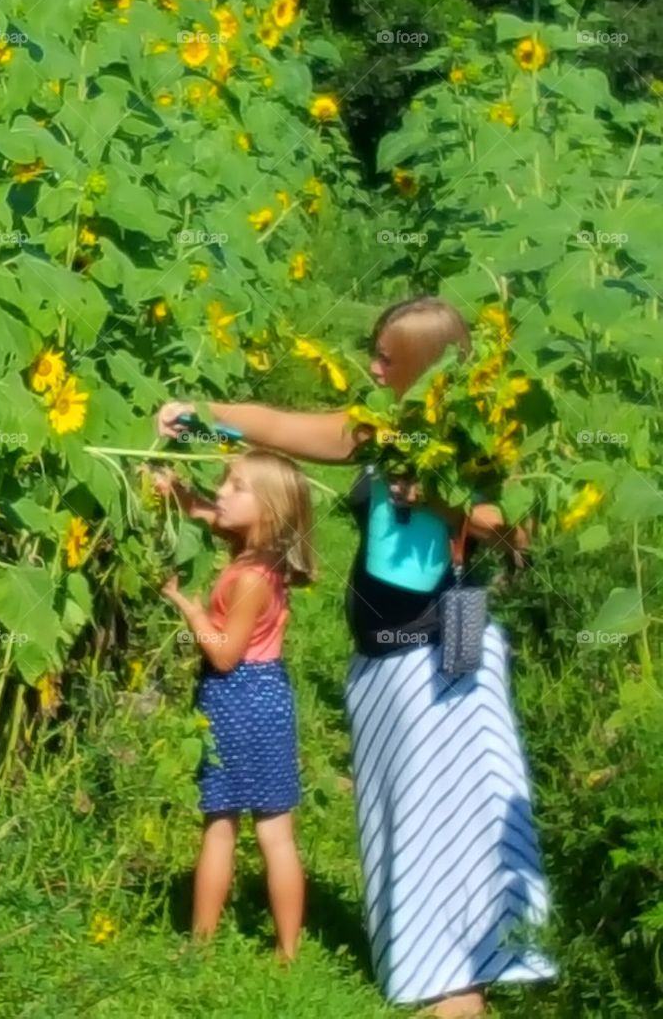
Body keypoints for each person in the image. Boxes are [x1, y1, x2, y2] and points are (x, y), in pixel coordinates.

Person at [155, 296, 555, 1019]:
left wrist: (436, 498)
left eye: (384, 358)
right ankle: (439, 969)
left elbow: (513, 535)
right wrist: (203, 412)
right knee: (405, 814)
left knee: (450, 814)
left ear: (424, 367)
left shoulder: (475, 440)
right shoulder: (382, 430)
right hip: (385, 667)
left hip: (444, 660)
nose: (370, 366)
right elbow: (285, 427)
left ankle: (458, 990)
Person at [152, 449, 317, 962]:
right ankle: (288, 953)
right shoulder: (261, 557)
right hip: (269, 697)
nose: (222, 492)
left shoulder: (249, 578)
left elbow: (224, 655)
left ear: (267, 509)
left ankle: (200, 947)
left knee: (220, 826)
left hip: (237, 696)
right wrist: (178, 495)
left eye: (236, 486)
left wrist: (188, 605)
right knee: (276, 832)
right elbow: (211, 514)